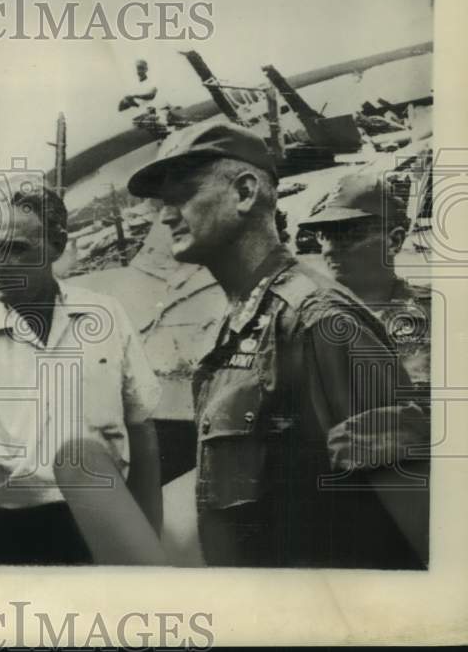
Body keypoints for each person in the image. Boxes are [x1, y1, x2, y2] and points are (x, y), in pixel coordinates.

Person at [127, 122, 429, 568]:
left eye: (182, 194)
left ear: (245, 192)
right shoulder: (242, 319)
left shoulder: (320, 322)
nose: (165, 216)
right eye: (161, 203)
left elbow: (415, 518)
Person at [0, 178, 164, 565]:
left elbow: (141, 427)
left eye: (16, 249)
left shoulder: (105, 316)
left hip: (98, 527)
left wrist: (149, 535)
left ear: (57, 245)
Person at [297, 169, 431, 386]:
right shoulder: (303, 321)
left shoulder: (436, 317)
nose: (330, 250)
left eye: (350, 234)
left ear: (394, 241)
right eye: (325, 236)